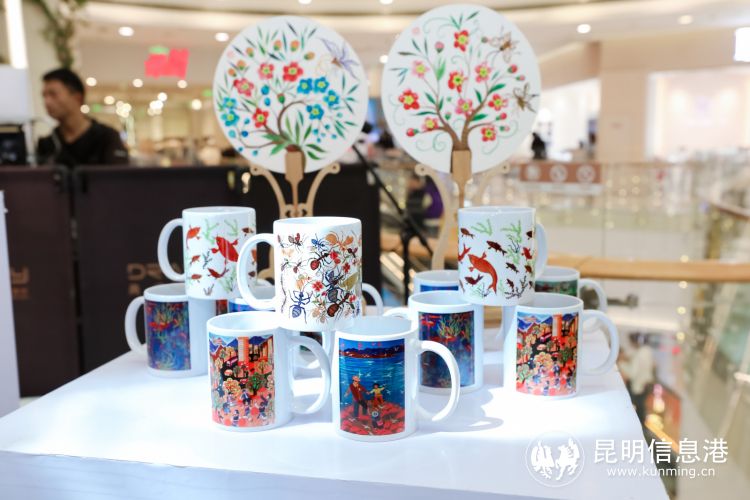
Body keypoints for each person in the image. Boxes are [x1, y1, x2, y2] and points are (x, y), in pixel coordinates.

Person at [37, 68, 129, 167]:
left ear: (77, 98)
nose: (47, 102)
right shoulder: (48, 144)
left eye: (53, 94)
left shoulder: (107, 138)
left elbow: (119, 175)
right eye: (44, 96)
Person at [621, 334, 655, 424]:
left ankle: (639, 426)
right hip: (647, 384)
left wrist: (621, 364)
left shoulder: (638, 355)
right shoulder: (647, 352)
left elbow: (632, 373)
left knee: (639, 408)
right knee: (641, 408)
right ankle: (642, 426)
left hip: (639, 386)